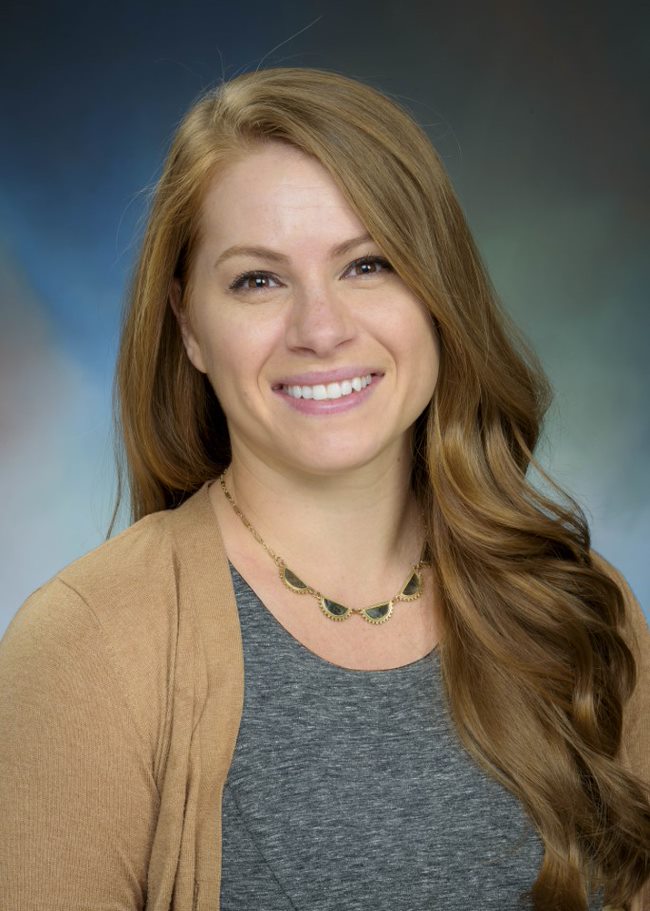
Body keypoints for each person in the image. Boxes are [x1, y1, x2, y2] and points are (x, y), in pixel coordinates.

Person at [0, 67, 648, 911]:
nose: (322, 328)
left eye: (368, 263)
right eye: (257, 280)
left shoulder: (578, 608)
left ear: (436, 294)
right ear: (190, 325)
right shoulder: (85, 649)